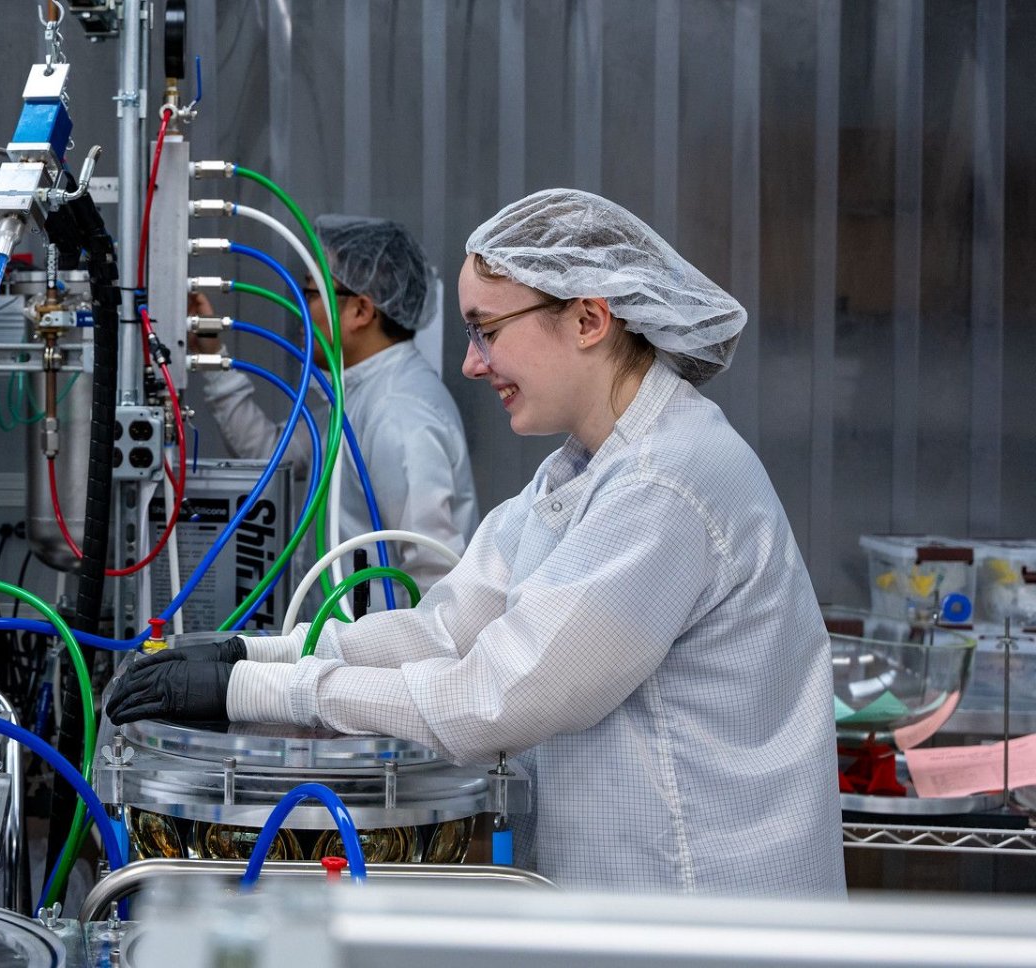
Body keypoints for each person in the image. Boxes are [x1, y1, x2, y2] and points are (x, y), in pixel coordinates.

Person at [110, 189, 845, 896]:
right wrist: (256, 654)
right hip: (632, 901)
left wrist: (257, 689)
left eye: (487, 331)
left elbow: (491, 696)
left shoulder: (664, 484)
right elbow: (446, 628)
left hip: (701, 911)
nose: (470, 363)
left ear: (589, 320)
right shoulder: (583, 473)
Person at [190, 215, 477, 594]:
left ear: (361, 310)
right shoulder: (357, 392)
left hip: (382, 652)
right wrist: (215, 360)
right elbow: (273, 456)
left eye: (312, 293)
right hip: (349, 644)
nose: (302, 310)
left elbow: (436, 575)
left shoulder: (399, 413)